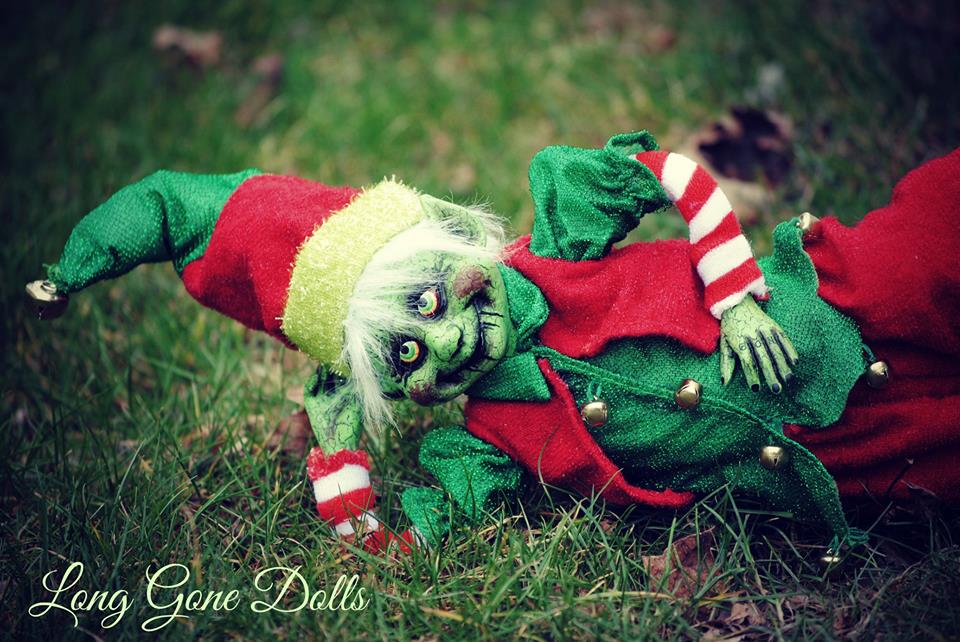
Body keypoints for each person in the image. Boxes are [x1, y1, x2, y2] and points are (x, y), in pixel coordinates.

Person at [28, 132, 960, 554]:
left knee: (928, 253)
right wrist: (337, 452)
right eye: (402, 357)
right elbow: (395, 545)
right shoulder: (489, 440)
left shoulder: (562, 233)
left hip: (832, 302)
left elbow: (668, 173)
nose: (439, 343)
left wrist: (737, 294)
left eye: (428, 300)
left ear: (450, 244)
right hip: (834, 454)